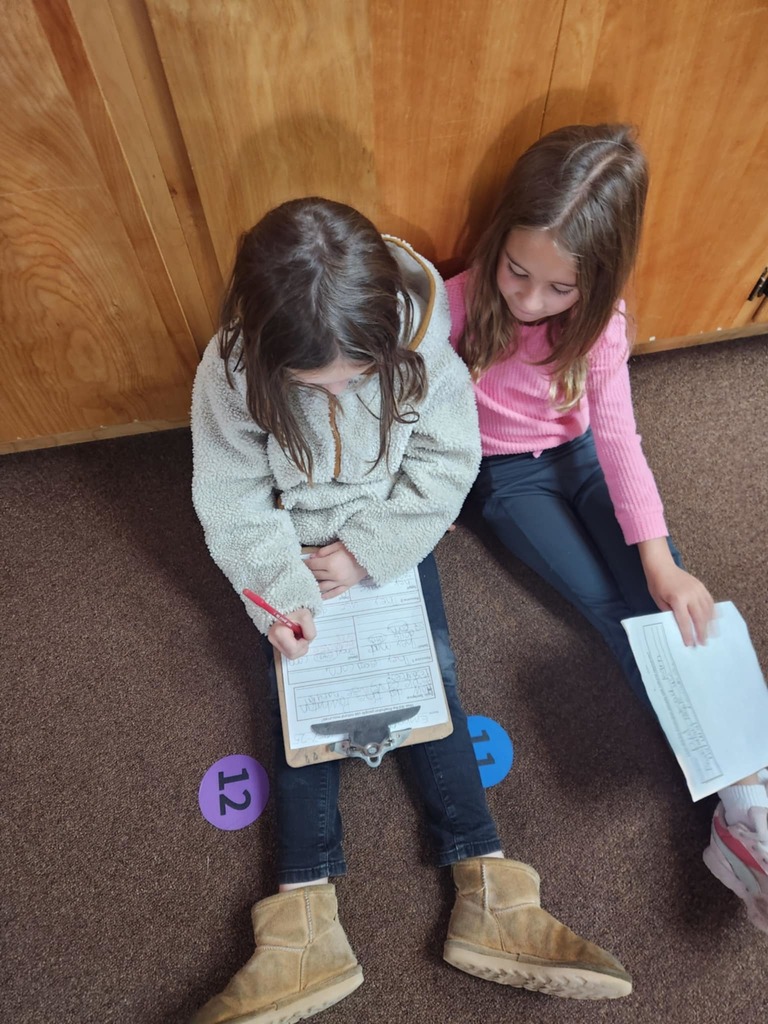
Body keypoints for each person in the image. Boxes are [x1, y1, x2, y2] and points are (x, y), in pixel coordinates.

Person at [189, 197, 633, 1024]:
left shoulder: (417, 327)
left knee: (432, 686)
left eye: (356, 378)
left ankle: (490, 889)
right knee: (303, 706)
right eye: (312, 383)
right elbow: (232, 502)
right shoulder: (228, 370)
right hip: (293, 552)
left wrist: (367, 552)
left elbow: (447, 457)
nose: (340, 391)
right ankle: (301, 925)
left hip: (385, 534)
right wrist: (282, 596)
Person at [446, 123, 768, 936]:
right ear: (499, 240)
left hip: (581, 451)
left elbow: (619, 441)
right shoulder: (453, 300)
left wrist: (661, 560)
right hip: (507, 476)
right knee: (607, 603)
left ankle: (749, 797)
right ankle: (743, 797)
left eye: (558, 290)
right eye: (518, 272)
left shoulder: (602, 320)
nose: (528, 300)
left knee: (665, 589)